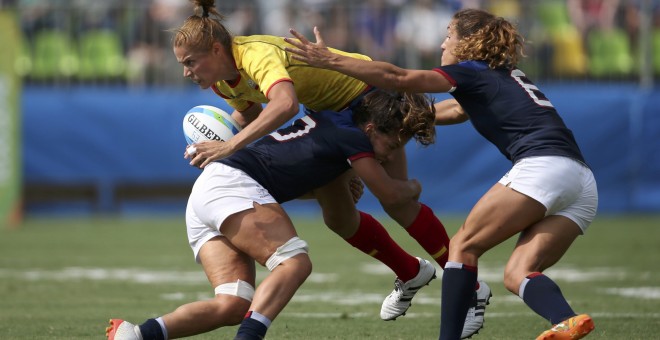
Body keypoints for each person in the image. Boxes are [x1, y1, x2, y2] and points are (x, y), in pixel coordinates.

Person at [169, 0, 489, 336]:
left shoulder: (254, 54)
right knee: (338, 217)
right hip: (331, 119)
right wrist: (213, 146)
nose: (186, 72)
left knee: (397, 200)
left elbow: (284, 104)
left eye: (190, 62)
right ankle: (411, 271)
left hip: (367, 99)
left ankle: (471, 289)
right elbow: (248, 117)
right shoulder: (224, 82)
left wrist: (229, 146)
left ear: (217, 50)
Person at [285, 7, 598, 340]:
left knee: (461, 247)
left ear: (468, 44)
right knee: (518, 273)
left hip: (543, 167)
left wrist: (330, 60)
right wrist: (403, 118)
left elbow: (397, 77)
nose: (442, 44)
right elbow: (457, 110)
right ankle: (566, 320)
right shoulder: (503, 74)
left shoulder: (470, 71)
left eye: (449, 36)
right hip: (581, 182)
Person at [106, 89, 435, 340]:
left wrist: (332, 182)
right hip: (233, 186)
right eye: (393, 143)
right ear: (371, 126)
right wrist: (415, 186)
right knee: (295, 263)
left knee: (233, 304)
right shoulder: (353, 137)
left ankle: (136, 334)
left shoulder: (328, 120)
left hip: (209, 193)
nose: (394, 151)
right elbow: (390, 193)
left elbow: (291, 172)